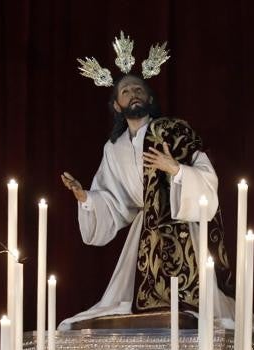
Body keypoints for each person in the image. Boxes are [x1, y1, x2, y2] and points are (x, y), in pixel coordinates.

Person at [60, 70, 234, 328]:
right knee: (132, 312)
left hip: (180, 227)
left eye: (139, 90)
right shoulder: (114, 148)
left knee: (190, 311)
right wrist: (85, 197)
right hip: (143, 236)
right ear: (116, 105)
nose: (134, 95)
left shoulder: (173, 131)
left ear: (150, 99)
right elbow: (116, 201)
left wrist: (176, 169)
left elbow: (208, 178)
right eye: (126, 91)